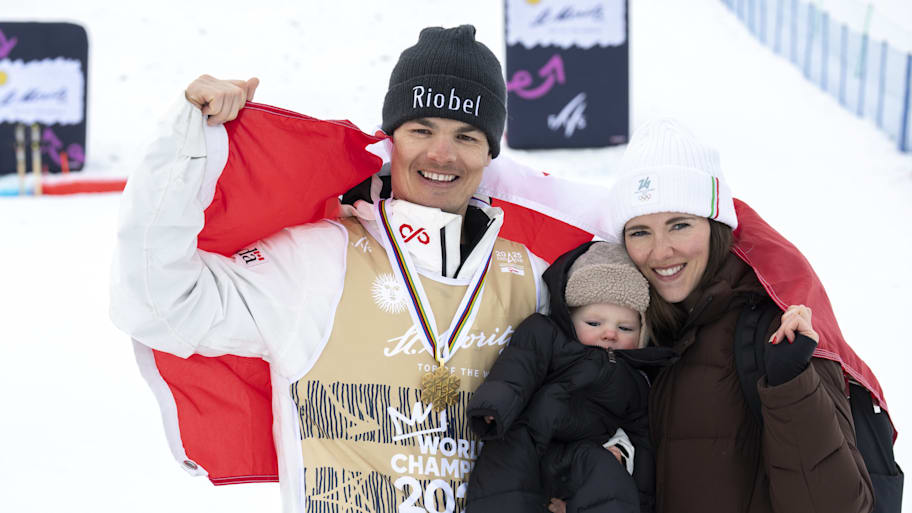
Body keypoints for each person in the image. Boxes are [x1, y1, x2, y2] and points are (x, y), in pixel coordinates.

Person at [110, 25, 552, 513]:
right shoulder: (318, 260)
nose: (441, 154)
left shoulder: (529, 276)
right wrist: (186, 140)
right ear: (391, 141)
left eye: (466, 136)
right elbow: (159, 301)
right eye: (421, 129)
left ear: (490, 152)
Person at [606, 119, 875, 513]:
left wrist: (791, 386)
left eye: (680, 225)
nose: (660, 252)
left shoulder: (772, 326)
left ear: (716, 226)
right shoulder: (626, 326)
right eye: (640, 232)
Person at [463, 241, 674, 513]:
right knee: (506, 470)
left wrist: (625, 458)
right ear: (570, 317)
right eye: (594, 323)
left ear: (643, 333)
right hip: (531, 432)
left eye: (625, 327)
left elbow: (641, 435)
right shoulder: (549, 336)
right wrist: (496, 404)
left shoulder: (637, 380)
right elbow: (520, 364)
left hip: (584, 454)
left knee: (606, 474)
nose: (610, 334)